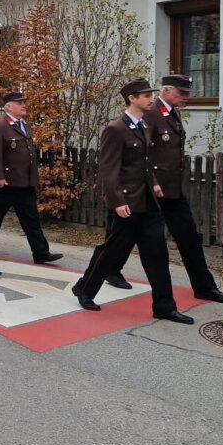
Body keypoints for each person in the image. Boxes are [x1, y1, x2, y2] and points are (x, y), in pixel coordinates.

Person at [71, 79, 193, 324]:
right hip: (127, 203)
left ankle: (164, 306)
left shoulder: (144, 126)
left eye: (151, 95)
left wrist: (154, 182)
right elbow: (109, 169)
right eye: (146, 95)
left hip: (147, 202)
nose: (151, 99)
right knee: (111, 251)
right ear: (132, 98)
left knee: (157, 255)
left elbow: (146, 163)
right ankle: (84, 289)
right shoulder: (116, 129)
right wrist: (117, 200)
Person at [101, 76, 223, 299]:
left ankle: (204, 287)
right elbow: (141, 153)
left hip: (172, 190)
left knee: (188, 237)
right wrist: (146, 183)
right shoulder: (150, 113)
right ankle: (108, 271)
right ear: (167, 91)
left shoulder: (172, 113)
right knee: (124, 236)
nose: (186, 97)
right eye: (182, 93)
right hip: (149, 190)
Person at [0, 91, 63, 264]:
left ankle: (41, 252)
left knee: (31, 219)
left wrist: (32, 178)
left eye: (23, 103)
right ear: (8, 107)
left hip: (24, 182)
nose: (23, 105)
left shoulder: (24, 125)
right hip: (5, 183)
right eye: (19, 103)